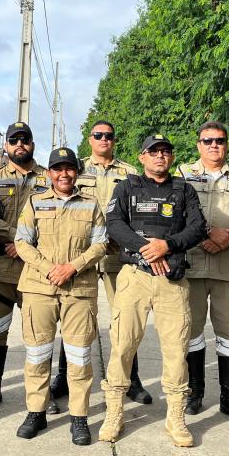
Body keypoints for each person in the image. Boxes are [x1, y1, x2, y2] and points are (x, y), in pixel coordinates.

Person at [99, 133, 208, 447]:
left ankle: (175, 418)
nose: (160, 156)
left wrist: (168, 245)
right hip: (135, 276)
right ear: (142, 156)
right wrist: (149, 248)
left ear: (171, 158)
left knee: (176, 351)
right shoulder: (127, 187)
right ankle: (114, 412)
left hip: (171, 281)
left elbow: (197, 227)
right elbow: (114, 224)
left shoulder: (183, 189)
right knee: (122, 345)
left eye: (166, 152)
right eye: (153, 152)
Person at [13, 147, 108, 444]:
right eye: (58, 168)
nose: (64, 174)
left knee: (79, 356)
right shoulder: (34, 202)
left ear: (76, 172)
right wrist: (50, 268)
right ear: (49, 173)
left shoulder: (91, 205)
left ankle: (79, 417)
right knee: (38, 354)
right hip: (39, 288)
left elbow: (101, 244)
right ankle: (36, 412)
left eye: (69, 168)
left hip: (78, 290)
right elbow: (22, 243)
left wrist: (72, 268)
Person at [55, 120, 144, 406]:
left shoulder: (129, 172)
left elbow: (139, 211)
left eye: (109, 135)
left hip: (117, 255)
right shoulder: (75, 168)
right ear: (89, 138)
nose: (104, 139)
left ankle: (132, 378)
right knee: (72, 317)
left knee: (126, 319)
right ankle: (63, 377)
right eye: (98, 135)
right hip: (81, 255)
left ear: (114, 140)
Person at [176, 121, 229, 420]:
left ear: (227, 144)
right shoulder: (184, 173)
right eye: (208, 141)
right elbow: (179, 211)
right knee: (192, 331)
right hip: (193, 262)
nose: (214, 146)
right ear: (198, 145)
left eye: (220, 141)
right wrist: (210, 232)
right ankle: (195, 393)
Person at [0, 121, 49, 412]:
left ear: (32, 144)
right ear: (5, 145)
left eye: (25, 140)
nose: (20, 145)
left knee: (39, 334)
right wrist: (18, 238)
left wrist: (26, 244)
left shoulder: (49, 178)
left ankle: (40, 395)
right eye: (14, 140)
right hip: (2, 265)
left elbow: (57, 217)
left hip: (37, 268)